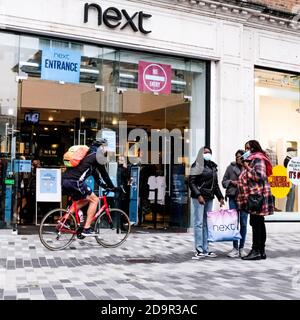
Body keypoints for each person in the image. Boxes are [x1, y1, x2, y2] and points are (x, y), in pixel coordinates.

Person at [62, 138, 116, 237]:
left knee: (84, 200)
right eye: (106, 148)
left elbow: (97, 177)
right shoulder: (97, 156)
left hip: (65, 180)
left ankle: (65, 220)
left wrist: (105, 186)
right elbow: (104, 175)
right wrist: (113, 187)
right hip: (75, 181)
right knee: (95, 200)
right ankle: (86, 228)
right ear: (102, 147)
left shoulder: (87, 157)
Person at [237, 140, 274, 260]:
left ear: (253, 148)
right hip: (255, 195)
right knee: (258, 223)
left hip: (256, 196)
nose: (246, 151)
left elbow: (259, 176)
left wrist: (247, 167)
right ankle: (261, 251)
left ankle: (256, 250)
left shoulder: (258, 158)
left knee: (256, 223)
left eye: (248, 148)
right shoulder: (255, 158)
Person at [188, 146, 225, 259]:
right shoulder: (197, 165)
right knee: (199, 223)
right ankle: (199, 249)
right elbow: (191, 182)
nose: (207, 154)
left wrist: (220, 197)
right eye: (205, 152)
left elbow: (215, 184)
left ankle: (206, 248)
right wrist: (198, 195)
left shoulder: (213, 166)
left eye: (209, 152)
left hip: (209, 197)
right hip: (199, 197)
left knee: (207, 223)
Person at [222, 150, 248, 258]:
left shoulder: (248, 168)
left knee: (243, 223)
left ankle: (242, 247)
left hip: (245, 198)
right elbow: (223, 182)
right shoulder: (230, 168)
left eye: (240, 157)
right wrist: (231, 182)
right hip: (233, 197)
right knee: (234, 223)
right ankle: (235, 248)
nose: (238, 158)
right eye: (236, 156)